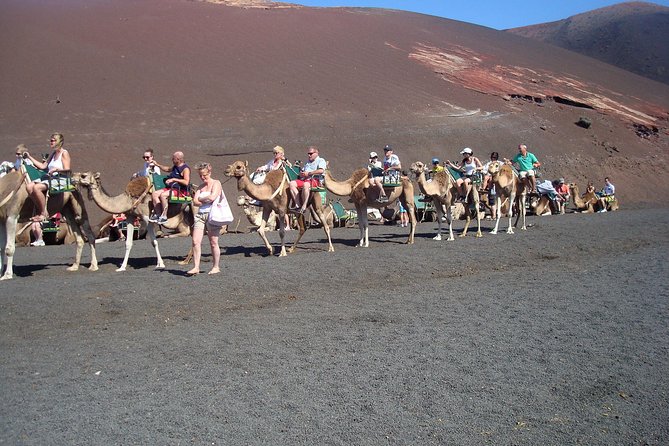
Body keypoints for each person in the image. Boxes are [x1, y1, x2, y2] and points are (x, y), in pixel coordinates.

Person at [23, 133, 71, 222]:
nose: (51, 142)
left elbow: (67, 169)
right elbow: (43, 166)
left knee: (37, 188)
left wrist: (56, 169)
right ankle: (43, 210)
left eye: (53, 140)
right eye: (51, 140)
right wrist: (29, 157)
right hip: (50, 178)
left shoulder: (64, 153)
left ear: (59, 142)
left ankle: (43, 214)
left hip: (60, 179)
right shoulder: (53, 153)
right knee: (29, 186)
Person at [187, 163, 223, 276]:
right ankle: (196, 267)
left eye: (204, 175)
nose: (203, 178)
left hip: (212, 215)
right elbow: (195, 201)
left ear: (209, 172)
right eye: (201, 176)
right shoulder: (201, 187)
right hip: (200, 215)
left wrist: (202, 198)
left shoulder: (216, 183)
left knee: (213, 242)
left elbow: (213, 197)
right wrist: (205, 198)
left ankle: (216, 266)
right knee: (195, 241)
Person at [149, 151, 191, 224]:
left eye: (173, 158)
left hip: (180, 190)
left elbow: (186, 182)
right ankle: (158, 214)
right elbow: (167, 169)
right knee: (155, 194)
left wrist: (174, 179)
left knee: (163, 195)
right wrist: (157, 165)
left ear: (178, 159)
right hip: (171, 188)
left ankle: (164, 216)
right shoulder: (175, 166)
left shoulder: (185, 169)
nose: (172, 159)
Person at [256, 146, 291, 228]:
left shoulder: (283, 162)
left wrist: (284, 160)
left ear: (281, 153)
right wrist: (261, 168)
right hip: (270, 180)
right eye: (274, 153)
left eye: (276, 153)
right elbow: (267, 166)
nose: (275, 154)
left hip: (280, 181)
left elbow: (289, 167)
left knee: (282, 208)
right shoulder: (272, 161)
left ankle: (288, 225)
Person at [288, 146, 326, 214]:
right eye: (308, 153)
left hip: (315, 180)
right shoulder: (307, 162)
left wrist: (309, 173)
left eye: (311, 153)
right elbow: (303, 171)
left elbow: (321, 170)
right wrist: (302, 174)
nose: (309, 155)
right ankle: (298, 205)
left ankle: (304, 206)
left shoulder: (321, 160)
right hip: (305, 179)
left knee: (306, 185)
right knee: (291, 183)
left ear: (316, 153)